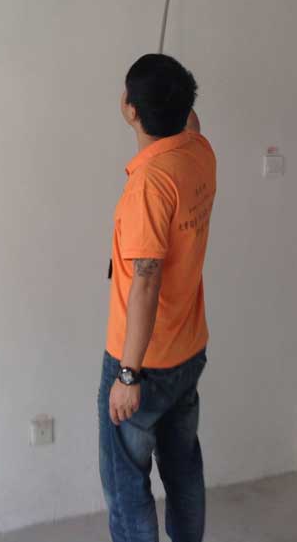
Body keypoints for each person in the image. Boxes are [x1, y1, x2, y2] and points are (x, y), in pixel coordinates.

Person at [99, 54, 216, 542]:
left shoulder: (149, 185)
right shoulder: (199, 152)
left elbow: (145, 280)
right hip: (188, 351)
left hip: (143, 362)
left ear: (131, 109)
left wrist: (128, 375)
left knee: (126, 484)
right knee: (183, 467)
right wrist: (169, 95)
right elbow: (189, 121)